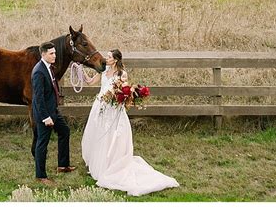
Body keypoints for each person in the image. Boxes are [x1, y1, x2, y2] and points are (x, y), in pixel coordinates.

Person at [81, 49, 179, 197]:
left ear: (115, 60)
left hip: (113, 109)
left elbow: (123, 92)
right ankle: (98, 163)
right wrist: (80, 71)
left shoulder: (121, 74)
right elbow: (90, 82)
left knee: (113, 136)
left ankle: (110, 163)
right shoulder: (103, 70)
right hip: (99, 107)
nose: (105, 59)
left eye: (108, 57)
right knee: (97, 134)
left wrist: (119, 98)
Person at [31, 42, 75, 185]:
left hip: (53, 111)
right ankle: (40, 175)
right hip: (45, 115)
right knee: (42, 143)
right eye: (51, 53)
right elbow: (38, 98)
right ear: (43, 54)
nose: (54, 56)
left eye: (55, 53)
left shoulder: (49, 67)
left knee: (65, 131)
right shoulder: (38, 71)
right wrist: (45, 117)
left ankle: (63, 166)